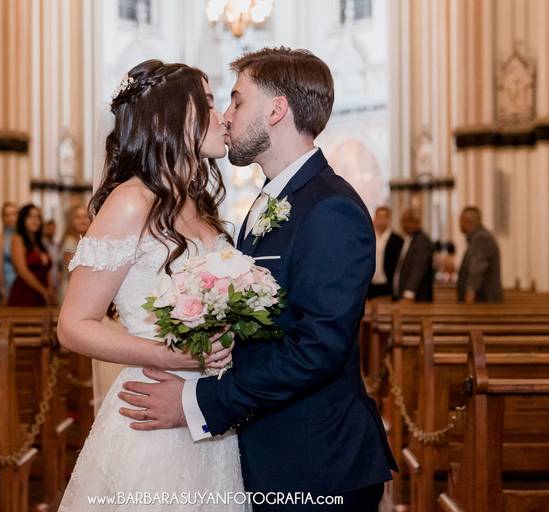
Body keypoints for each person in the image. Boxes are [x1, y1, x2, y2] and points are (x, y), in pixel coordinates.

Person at [118, 48, 397, 511]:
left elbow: (316, 351)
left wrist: (198, 401)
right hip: (267, 453)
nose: (226, 117)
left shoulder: (331, 209)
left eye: (237, 100)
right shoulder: (272, 201)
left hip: (316, 466)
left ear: (276, 110)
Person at [56, 60, 240, 511]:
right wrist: (172, 356)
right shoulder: (130, 201)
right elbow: (74, 325)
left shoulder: (198, 205)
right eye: (209, 103)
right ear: (167, 117)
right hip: (153, 407)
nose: (223, 118)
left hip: (210, 410)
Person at [7, 204, 55, 307]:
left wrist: (50, 290)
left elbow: (47, 269)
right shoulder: (18, 239)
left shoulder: (40, 243)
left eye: (37, 217)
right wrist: (43, 290)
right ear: (23, 219)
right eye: (30, 216)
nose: (35, 220)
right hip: (25, 292)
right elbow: (22, 270)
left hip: (43, 293)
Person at [457, 206, 503, 303]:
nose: (459, 224)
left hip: (484, 301)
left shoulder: (481, 238)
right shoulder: (478, 237)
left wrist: (470, 293)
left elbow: (477, 269)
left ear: (467, 221)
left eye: (460, 221)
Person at [393, 207, 435, 302]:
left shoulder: (422, 241)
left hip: (417, 298)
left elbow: (418, 268)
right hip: (405, 295)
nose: (405, 224)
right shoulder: (409, 239)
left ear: (418, 223)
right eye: (403, 221)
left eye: (410, 221)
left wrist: (409, 293)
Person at [368, 205, 404, 299]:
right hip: (369, 284)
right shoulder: (369, 238)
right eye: (378, 217)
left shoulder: (397, 240)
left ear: (389, 219)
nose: (380, 220)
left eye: (383, 217)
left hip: (387, 285)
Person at [58, 204, 90, 300]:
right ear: (71, 221)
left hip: (84, 287)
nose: (82, 221)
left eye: (85, 217)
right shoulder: (70, 241)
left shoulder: (86, 240)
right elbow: (72, 271)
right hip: (73, 289)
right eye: (77, 217)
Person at [0, 202, 18, 303]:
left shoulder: (22, 237)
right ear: (3, 218)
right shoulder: (0, 240)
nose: (10, 218)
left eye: (13, 214)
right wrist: (2, 289)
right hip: (8, 283)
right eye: (7, 215)